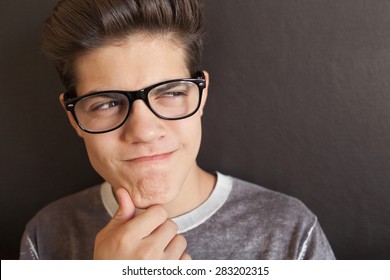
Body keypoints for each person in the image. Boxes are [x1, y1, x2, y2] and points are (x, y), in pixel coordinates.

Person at [20, 0, 335, 260]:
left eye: (170, 93)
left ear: (201, 96)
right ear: (74, 118)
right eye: (106, 104)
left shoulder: (291, 233)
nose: (143, 131)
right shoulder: (46, 236)